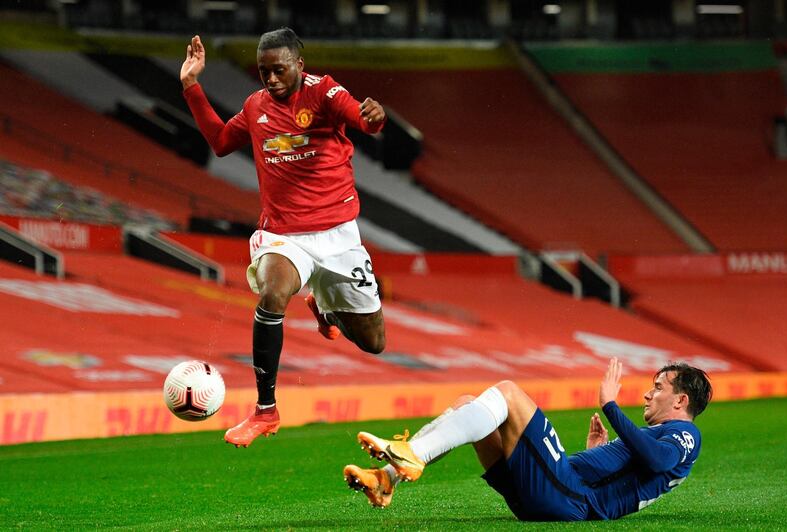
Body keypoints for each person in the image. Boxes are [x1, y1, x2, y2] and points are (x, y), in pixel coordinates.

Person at [180, 28, 387, 448]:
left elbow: (362, 120)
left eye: (278, 70)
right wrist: (190, 85)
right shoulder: (256, 107)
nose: (270, 79)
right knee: (273, 294)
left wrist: (374, 117)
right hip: (283, 234)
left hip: (339, 237)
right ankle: (265, 411)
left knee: (374, 343)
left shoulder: (325, 94)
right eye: (263, 72)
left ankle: (324, 307)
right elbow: (220, 142)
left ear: (299, 65)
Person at [344, 357, 712, 520]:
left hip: (570, 501)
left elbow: (659, 461)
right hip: (558, 492)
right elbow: (635, 471)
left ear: (681, 400)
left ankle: (412, 455)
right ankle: (387, 479)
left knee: (508, 392)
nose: (648, 394)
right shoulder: (660, 434)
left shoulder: (685, 435)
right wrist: (595, 457)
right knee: (467, 404)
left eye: (658, 387)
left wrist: (611, 406)